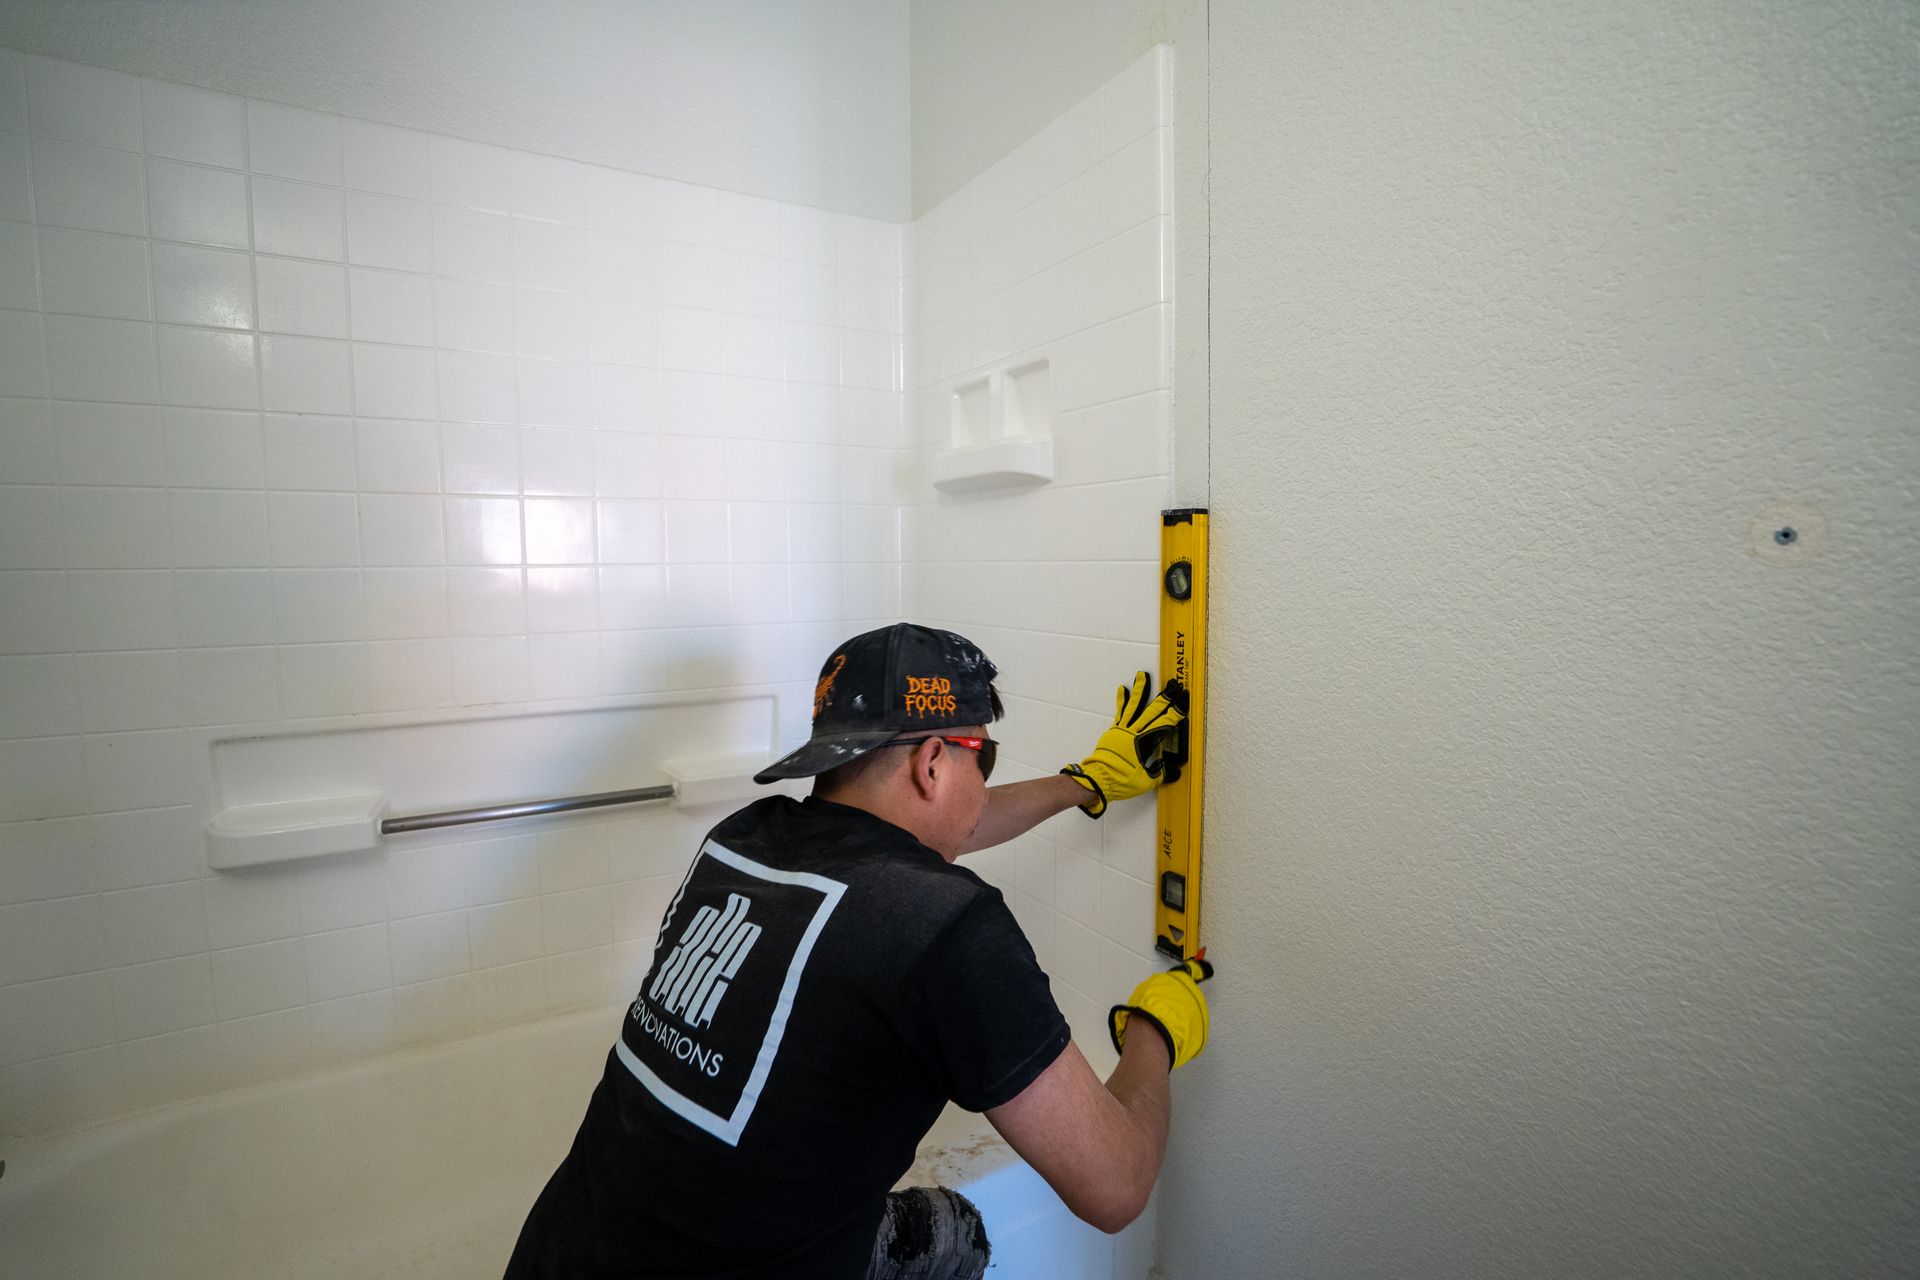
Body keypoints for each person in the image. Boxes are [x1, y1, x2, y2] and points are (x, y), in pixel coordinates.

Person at [504, 623, 1215, 1279]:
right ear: (932, 763)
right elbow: (1117, 1188)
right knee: (956, 1232)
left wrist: (1082, 784)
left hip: (556, 1255)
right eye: (984, 758)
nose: (985, 784)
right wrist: (1150, 1031)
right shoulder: (949, 926)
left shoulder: (741, 842)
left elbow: (924, 835)